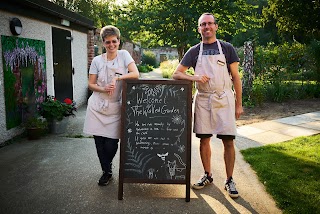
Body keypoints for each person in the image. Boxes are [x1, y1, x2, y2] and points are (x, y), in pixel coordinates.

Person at [172, 13, 243, 198]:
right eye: (203, 24)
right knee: (204, 140)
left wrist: (238, 104)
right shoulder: (194, 51)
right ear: (199, 29)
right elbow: (177, 74)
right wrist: (194, 77)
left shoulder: (227, 48)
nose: (207, 27)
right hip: (203, 100)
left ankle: (229, 179)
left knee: (228, 141)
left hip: (224, 99)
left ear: (216, 27)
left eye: (210, 23)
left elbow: (236, 77)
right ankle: (207, 174)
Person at [83, 25, 139, 186]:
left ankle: (108, 165)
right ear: (103, 43)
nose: (111, 45)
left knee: (111, 143)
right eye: (107, 42)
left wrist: (117, 79)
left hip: (115, 107)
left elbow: (135, 74)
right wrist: (103, 88)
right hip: (97, 106)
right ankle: (106, 172)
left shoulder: (124, 55)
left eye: (114, 41)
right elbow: (90, 84)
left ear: (119, 41)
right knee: (99, 143)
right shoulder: (97, 61)